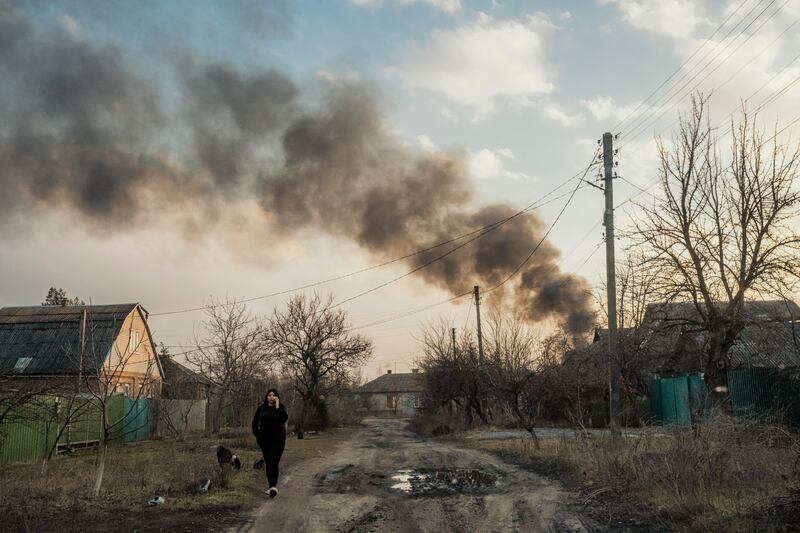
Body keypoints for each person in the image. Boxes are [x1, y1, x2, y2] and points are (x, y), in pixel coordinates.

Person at [252, 388, 288, 498]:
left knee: (273, 461)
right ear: (266, 396)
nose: (271, 397)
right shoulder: (262, 408)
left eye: (273, 395)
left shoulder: (281, 408)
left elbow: (283, 419)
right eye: (269, 395)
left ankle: (273, 486)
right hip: (264, 440)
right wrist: (258, 435)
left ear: (277, 397)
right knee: (268, 463)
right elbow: (254, 423)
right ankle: (271, 487)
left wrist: (277, 406)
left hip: (278, 440)